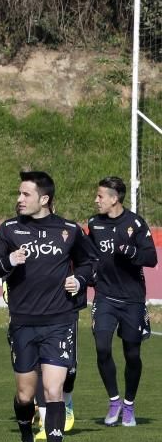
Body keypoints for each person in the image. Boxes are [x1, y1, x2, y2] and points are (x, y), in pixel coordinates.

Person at [0, 171, 97, 442]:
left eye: (25, 194)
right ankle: (26, 440)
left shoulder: (70, 230)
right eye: (18, 194)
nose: (19, 199)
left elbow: (91, 262)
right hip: (23, 324)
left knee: (54, 389)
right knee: (24, 395)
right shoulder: (8, 230)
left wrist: (80, 279)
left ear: (44, 199)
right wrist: (9, 262)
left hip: (60, 321)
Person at [87, 176, 157, 426]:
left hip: (132, 301)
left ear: (114, 198)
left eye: (100, 196)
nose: (96, 200)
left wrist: (130, 252)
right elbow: (90, 254)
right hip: (105, 297)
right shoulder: (94, 223)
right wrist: (89, 272)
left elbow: (151, 258)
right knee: (102, 347)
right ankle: (114, 400)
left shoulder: (136, 223)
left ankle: (129, 405)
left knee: (132, 354)